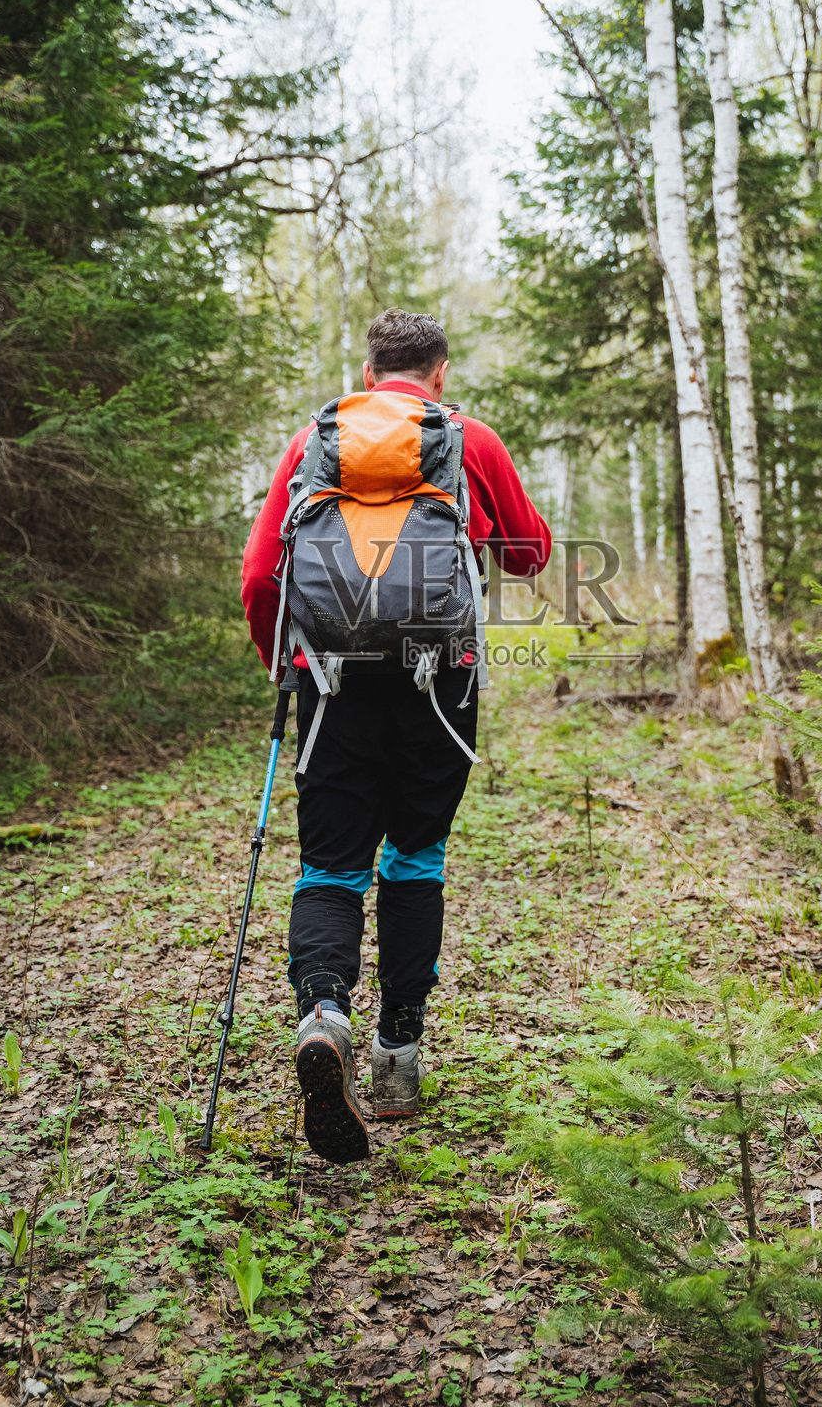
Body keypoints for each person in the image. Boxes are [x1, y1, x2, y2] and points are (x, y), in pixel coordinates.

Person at [242, 309, 551, 1163]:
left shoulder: (315, 440)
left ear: (370, 369)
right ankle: (398, 1059)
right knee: (413, 859)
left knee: (329, 864)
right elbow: (530, 554)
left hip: (331, 684)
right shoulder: (467, 439)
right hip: (438, 681)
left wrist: (284, 660)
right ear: (439, 373)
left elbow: (261, 570)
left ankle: (324, 1015)